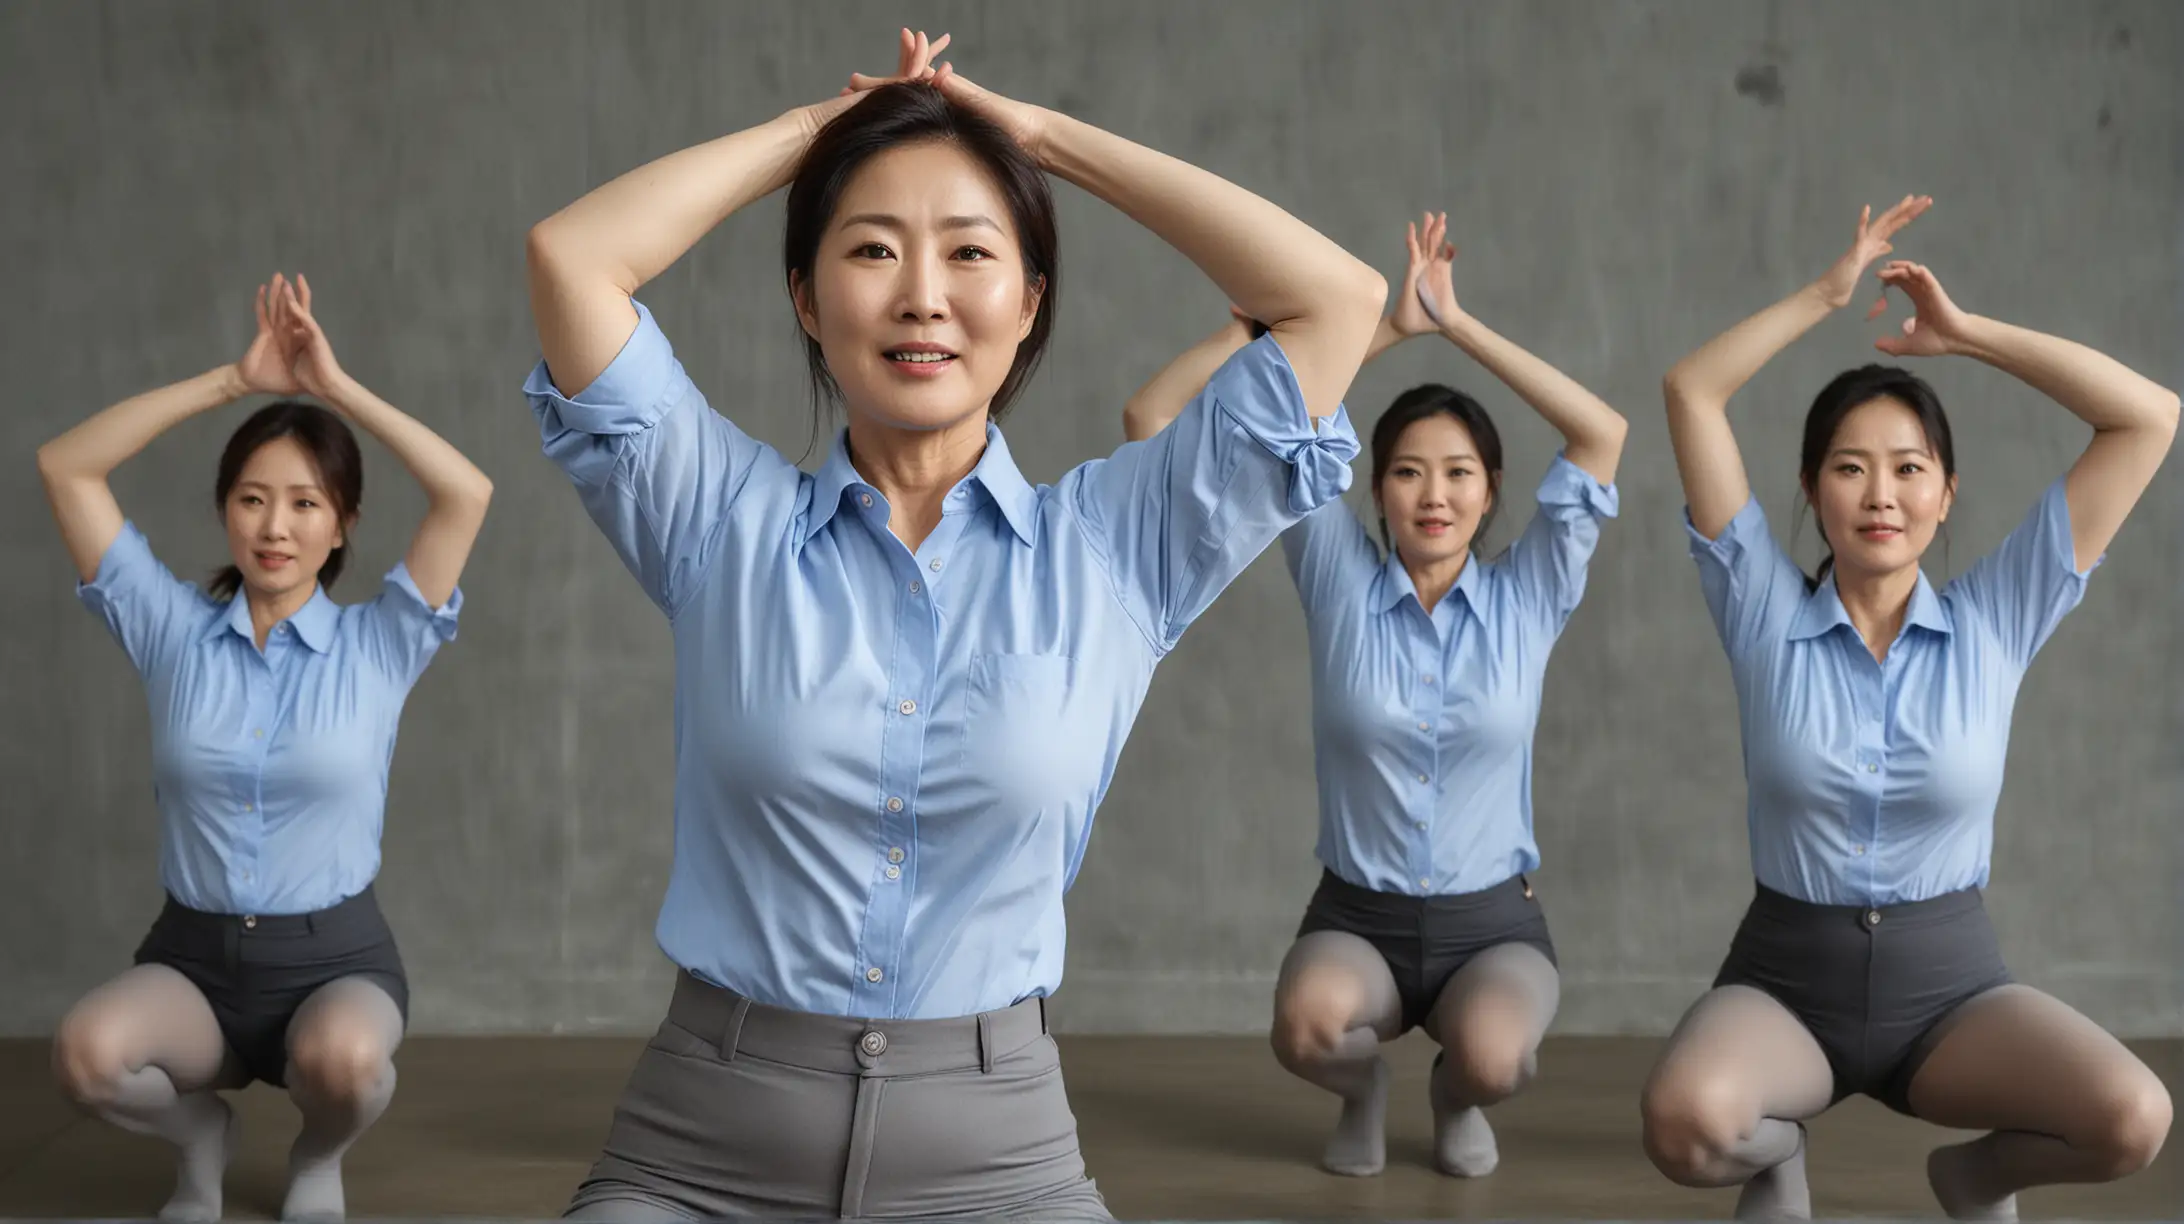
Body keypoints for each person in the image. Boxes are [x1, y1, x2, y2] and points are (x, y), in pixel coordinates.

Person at [521, 28, 1381, 1221]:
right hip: (701, 1155)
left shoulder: (1119, 548)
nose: (921, 293)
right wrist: (819, 133)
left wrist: (1039, 138)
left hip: (1001, 1162)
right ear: (807, 301)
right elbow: (574, 259)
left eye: (970, 253)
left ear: (1028, 305)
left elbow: (1336, 299)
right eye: (870, 248)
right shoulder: (718, 517)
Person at [1640, 196, 2176, 1220]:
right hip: (1785, 987)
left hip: (1953, 996)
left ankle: (1972, 1177)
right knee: (1685, 1122)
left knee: (2132, 1118)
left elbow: (2148, 416)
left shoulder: (1997, 618)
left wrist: (1969, 337)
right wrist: (1824, 295)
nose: (1880, 493)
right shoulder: (1761, 607)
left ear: (1945, 493)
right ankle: (1775, 1154)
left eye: (1907, 469)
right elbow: (1691, 391)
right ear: (1811, 487)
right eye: (1850, 468)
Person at [1123, 211, 1628, 1179]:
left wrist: (1455, 323)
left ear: (1490, 490)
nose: (1432, 494)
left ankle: (1452, 1096)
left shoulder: (1532, 594)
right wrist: (1347, 333)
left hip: (1494, 922)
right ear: (1374, 489)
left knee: (1495, 1057)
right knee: (1306, 1032)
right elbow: (1152, 421)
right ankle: (1364, 1089)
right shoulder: (1335, 572)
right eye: (1405, 472)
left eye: (1457, 474)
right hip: (1359, 918)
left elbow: (1601, 430)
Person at [39, 274, 492, 1223]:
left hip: (334, 964)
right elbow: (68, 466)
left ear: (342, 527)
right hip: (194, 959)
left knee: (350, 1066)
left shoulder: (381, 643)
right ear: (224, 511)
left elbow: (466, 490)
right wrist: (230, 383)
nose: (276, 526)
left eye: (304, 504)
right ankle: (198, 1136)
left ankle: (318, 1157)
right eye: (251, 499)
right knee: (84, 1057)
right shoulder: (168, 630)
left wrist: (337, 389)